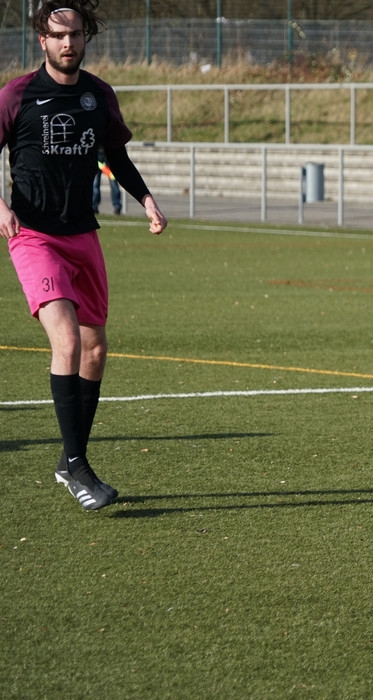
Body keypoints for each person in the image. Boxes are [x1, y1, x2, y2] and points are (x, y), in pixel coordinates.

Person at [0, 0, 168, 510]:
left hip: (84, 236)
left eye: (74, 34)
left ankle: (69, 458)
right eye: (58, 35)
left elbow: (116, 155)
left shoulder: (99, 95)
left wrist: (146, 199)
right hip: (34, 235)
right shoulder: (16, 95)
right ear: (43, 41)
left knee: (95, 350)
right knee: (69, 342)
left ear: (85, 38)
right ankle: (78, 468)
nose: (68, 43)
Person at [92, 146, 121, 215]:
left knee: (113, 182)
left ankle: (117, 206)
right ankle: (94, 206)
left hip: (110, 152)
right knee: (95, 182)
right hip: (98, 153)